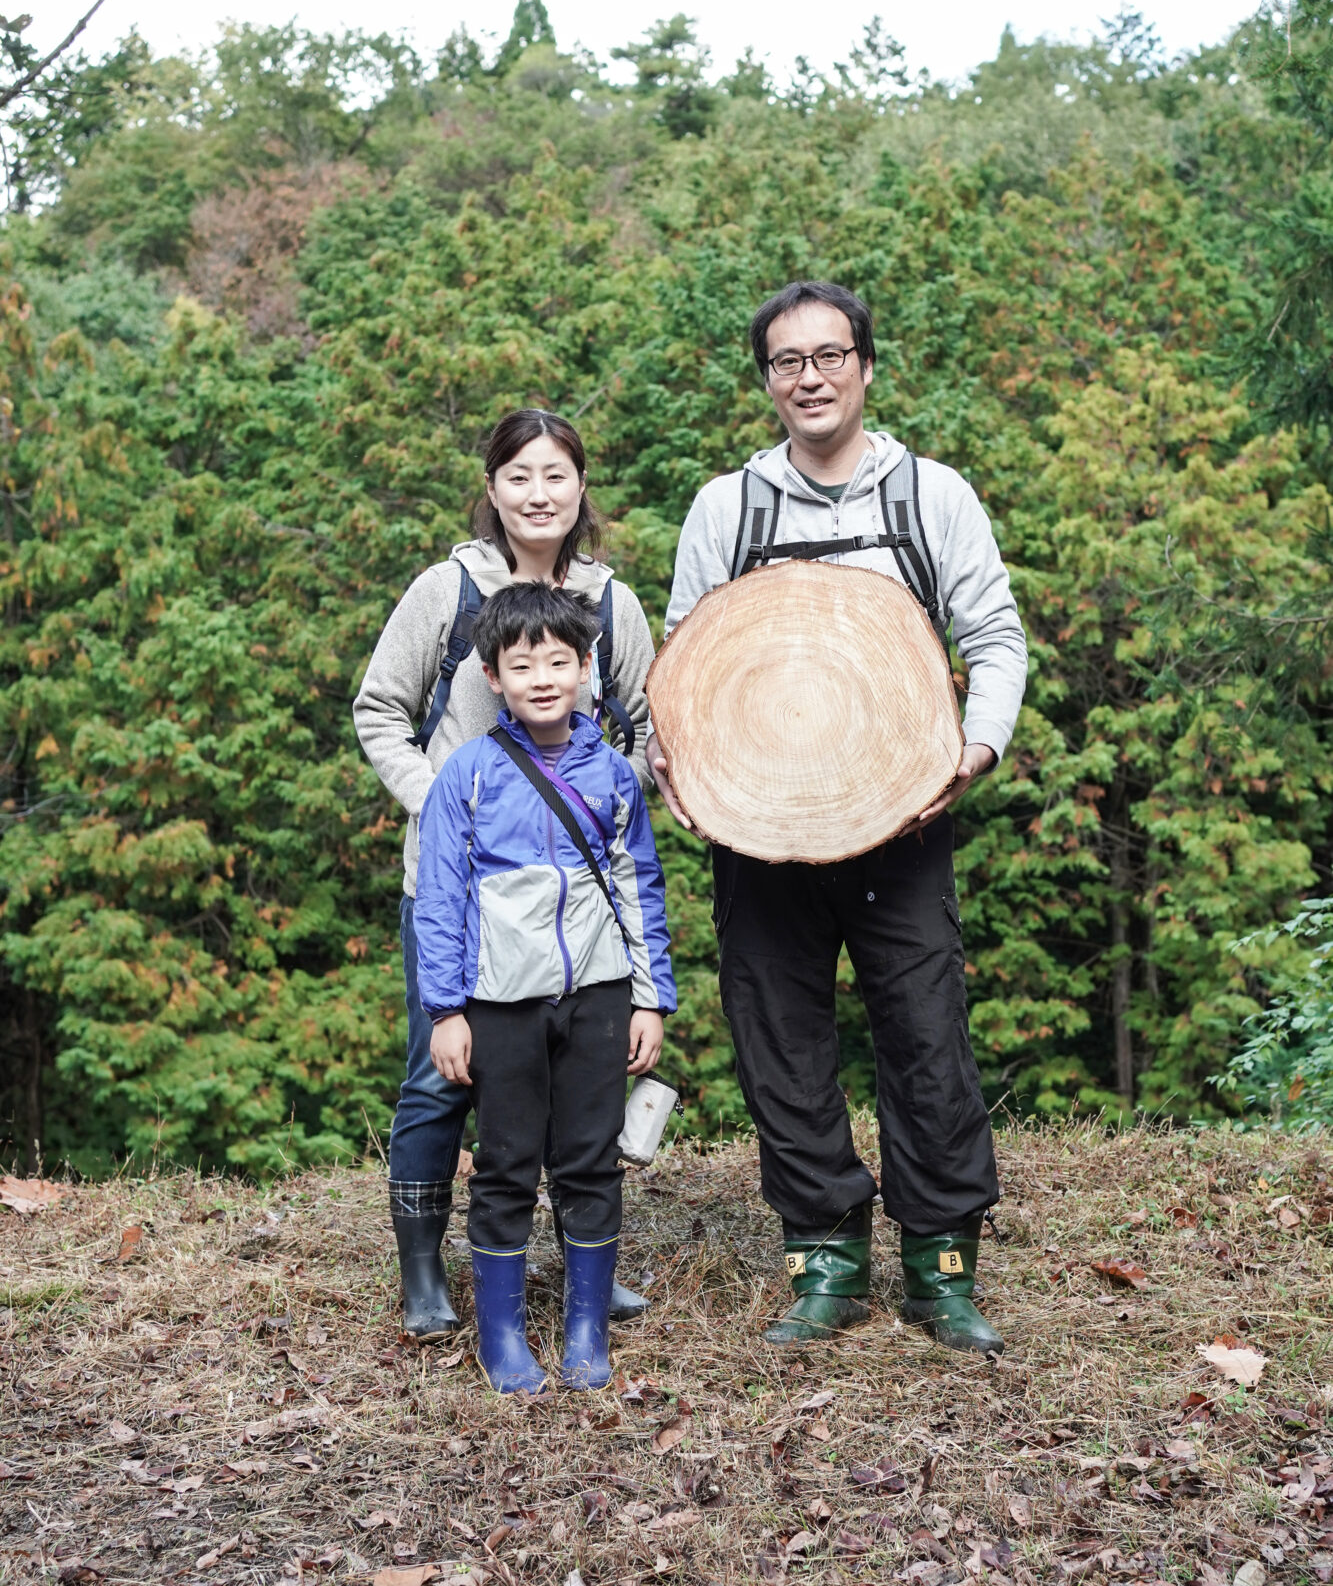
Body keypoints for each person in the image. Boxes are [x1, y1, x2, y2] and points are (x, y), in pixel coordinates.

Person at [649, 280, 1027, 1353]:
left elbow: (993, 635)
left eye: (828, 354)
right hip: (757, 826)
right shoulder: (730, 506)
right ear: (766, 380)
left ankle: (939, 1263)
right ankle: (824, 1257)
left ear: (865, 364)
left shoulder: (931, 494)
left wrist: (975, 744)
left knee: (925, 1033)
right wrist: (672, 760)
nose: (807, 376)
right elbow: (681, 660)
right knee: (781, 1038)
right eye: (785, 361)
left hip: (903, 815)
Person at [353, 410, 657, 1341]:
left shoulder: (612, 605)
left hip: (578, 906)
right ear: (492, 490)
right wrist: (443, 805)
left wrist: (608, 802)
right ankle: (422, 1273)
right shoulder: (447, 592)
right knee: (445, 1073)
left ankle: (580, 1264)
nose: (539, 493)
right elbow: (380, 710)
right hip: (460, 895)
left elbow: (648, 727)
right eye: (519, 476)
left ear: (580, 487)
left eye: (556, 475)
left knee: (575, 1086)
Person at [416, 582, 676, 1393]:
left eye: (558, 661)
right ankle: (501, 1338)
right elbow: (440, 899)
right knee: (505, 1164)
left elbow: (641, 888)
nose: (540, 677)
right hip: (500, 1003)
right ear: (491, 675)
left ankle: (586, 1330)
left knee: (590, 1163)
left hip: (598, 996)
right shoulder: (467, 774)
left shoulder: (614, 778)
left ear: (587, 667)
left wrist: (649, 996)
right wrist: (446, 1010)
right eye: (520, 663)